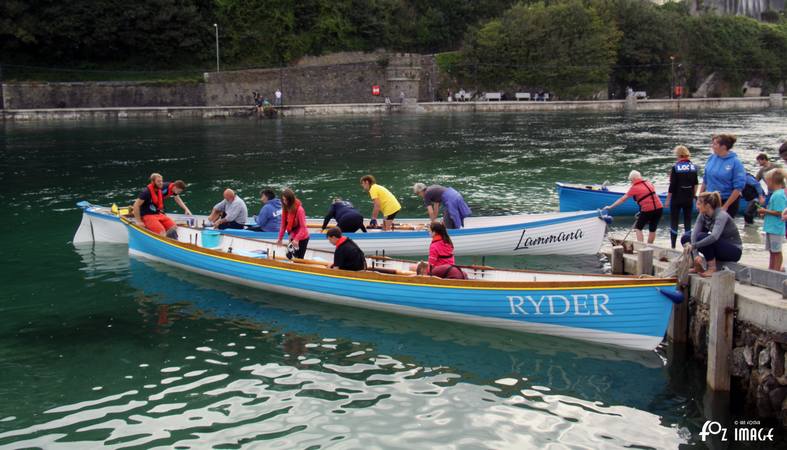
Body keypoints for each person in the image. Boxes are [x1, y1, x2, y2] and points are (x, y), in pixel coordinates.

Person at [681, 192, 742, 277]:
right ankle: (697, 265)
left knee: (702, 237)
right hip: (718, 246)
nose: (696, 207)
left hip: (733, 251)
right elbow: (694, 234)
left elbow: (714, 237)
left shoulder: (721, 215)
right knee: (686, 237)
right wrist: (696, 255)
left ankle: (712, 268)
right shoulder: (703, 214)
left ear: (708, 205)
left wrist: (694, 246)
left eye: (699, 204)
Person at [604, 170, 664, 244]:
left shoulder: (634, 188)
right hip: (659, 208)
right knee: (652, 229)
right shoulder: (649, 183)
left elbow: (622, 199)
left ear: (634, 179)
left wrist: (610, 207)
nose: (631, 182)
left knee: (638, 228)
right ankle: (650, 246)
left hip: (648, 210)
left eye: (631, 180)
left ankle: (641, 246)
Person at [699, 134, 745, 218]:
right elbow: (705, 180)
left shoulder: (735, 163)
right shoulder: (711, 158)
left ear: (723, 147)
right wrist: (700, 198)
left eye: (715, 144)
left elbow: (738, 188)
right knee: (704, 227)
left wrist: (725, 206)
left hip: (727, 200)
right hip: (710, 199)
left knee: (721, 229)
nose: (712, 146)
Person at [133, 173, 189, 237]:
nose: (161, 183)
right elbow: (136, 205)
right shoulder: (146, 192)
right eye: (158, 181)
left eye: (161, 181)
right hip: (148, 215)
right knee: (161, 232)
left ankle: (170, 239)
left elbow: (176, 197)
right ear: (153, 182)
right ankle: (163, 238)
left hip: (157, 213)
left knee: (174, 227)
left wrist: (186, 209)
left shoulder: (160, 190)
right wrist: (139, 221)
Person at [665, 146, 698, 248]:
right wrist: (693, 196)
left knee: (674, 221)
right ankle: (688, 246)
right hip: (688, 198)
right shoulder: (693, 167)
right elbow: (695, 184)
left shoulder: (675, 168)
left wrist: (667, 199)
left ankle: (673, 246)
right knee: (687, 221)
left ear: (678, 155)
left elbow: (672, 185)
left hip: (677, 198)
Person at [758, 169, 786, 271]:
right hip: (771, 227)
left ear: (773, 182)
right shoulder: (776, 194)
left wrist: (765, 211)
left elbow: (780, 212)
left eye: (767, 182)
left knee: (776, 251)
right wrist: (765, 212)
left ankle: (776, 270)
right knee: (772, 250)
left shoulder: (779, 195)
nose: (767, 184)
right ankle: (772, 269)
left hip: (776, 228)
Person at [276, 188, 310, 259]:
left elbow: (303, 228)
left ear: (291, 200)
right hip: (292, 236)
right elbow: (283, 225)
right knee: (289, 256)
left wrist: (297, 239)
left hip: (302, 238)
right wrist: (280, 238)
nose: (285, 202)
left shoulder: (299, 210)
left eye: (286, 200)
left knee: (299, 258)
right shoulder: (285, 209)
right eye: (283, 200)